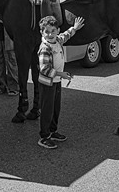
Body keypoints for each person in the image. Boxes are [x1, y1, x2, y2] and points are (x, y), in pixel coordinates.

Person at [37, 15, 85, 149]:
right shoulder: (45, 48)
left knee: (55, 108)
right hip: (48, 83)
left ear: (57, 30)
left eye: (53, 31)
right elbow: (44, 68)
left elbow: (66, 35)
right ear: (42, 32)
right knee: (47, 109)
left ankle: (53, 131)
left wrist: (74, 28)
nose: (50, 34)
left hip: (56, 82)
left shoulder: (57, 40)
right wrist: (60, 74)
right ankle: (44, 136)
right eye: (47, 31)